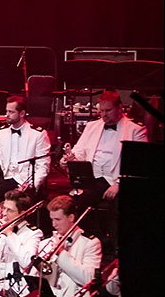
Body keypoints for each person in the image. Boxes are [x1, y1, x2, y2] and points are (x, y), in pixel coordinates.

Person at [61, 89, 147, 238]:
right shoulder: (92, 126)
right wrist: (70, 158)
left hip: (115, 180)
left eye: (108, 110)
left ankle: (114, 245)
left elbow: (139, 165)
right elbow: (79, 151)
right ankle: (99, 240)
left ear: (120, 108)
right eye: (101, 111)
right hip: (93, 179)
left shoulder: (136, 129)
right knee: (73, 205)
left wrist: (119, 184)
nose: (104, 115)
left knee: (117, 211)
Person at [0, 95, 50, 221]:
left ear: (22, 113)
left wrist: (32, 185)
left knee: (18, 203)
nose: (7, 115)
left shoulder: (38, 134)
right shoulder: (2, 133)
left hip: (25, 180)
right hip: (6, 178)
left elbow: (43, 165)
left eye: (11, 112)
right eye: (6, 111)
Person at [0, 189, 42, 297]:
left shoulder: (33, 233)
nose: (4, 213)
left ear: (22, 214)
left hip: (19, 293)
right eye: (4, 208)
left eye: (9, 210)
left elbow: (27, 262)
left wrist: (9, 234)